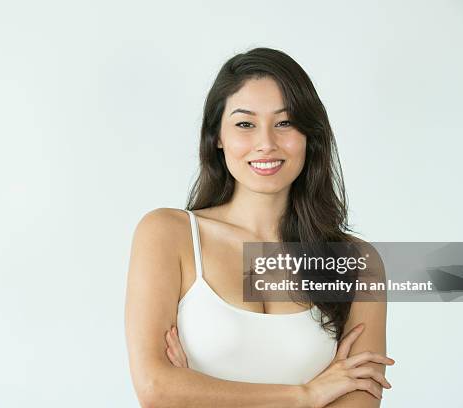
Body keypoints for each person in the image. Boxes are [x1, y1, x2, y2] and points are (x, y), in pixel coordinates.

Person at [124, 47, 394, 408]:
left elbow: (360, 401)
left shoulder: (358, 262)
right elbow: (156, 389)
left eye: (284, 123)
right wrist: (307, 395)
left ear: (309, 136)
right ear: (217, 136)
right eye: (245, 124)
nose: (266, 143)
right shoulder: (167, 235)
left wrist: (198, 394)